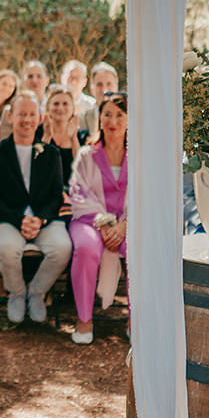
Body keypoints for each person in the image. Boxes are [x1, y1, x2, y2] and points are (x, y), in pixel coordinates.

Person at [0, 91, 70, 326]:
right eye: (22, 114)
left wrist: (39, 220)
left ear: (40, 118)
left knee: (62, 247)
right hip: (6, 219)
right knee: (8, 249)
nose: (27, 120)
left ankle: (37, 293)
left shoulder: (51, 153)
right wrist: (19, 219)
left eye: (32, 115)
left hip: (43, 221)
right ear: (10, 117)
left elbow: (55, 196)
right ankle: (17, 293)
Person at [67, 93, 128, 344]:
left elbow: (146, 197)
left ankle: (137, 320)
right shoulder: (86, 154)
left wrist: (125, 225)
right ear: (99, 118)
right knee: (86, 248)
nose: (113, 120)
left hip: (128, 224)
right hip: (89, 221)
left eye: (120, 115)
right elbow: (78, 192)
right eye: (107, 114)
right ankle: (84, 320)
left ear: (129, 120)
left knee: (138, 249)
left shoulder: (139, 157)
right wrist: (103, 223)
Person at [36, 83, 90, 184]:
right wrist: (46, 137)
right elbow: (36, 164)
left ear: (73, 108)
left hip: (73, 191)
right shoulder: (38, 132)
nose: (60, 108)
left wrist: (73, 139)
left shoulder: (82, 136)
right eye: (56, 104)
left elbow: (84, 169)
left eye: (65, 104)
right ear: (48, 108)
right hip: (46, 189)